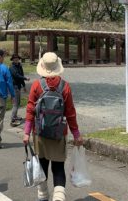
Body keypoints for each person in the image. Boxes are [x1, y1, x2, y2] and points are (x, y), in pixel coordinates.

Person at [22, 52, 83, 201]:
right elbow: (70, 113)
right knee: (58, 168)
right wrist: (76, 134)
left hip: (40, 133)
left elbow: (30, 110)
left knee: (42, 167)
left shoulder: (37, 85)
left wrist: (26, 132)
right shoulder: (65, 87)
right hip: (59, 134)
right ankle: (59, 198)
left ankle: (43, 196)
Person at [9, 53, 29, 126]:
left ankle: (15, 116)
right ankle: (13, 119)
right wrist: (25, 78)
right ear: (13, 59)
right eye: (15, 59)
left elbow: (21, 76)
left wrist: (24, 86)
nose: (16, 60)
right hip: (14, 87)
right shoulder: (12, 67)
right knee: (15, 104)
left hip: (18, 86)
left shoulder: (19, 66)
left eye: (17, 58)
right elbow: (16, 75)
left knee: (18, 103)